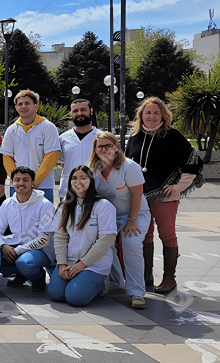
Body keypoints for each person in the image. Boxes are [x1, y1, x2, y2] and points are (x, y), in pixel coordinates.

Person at [126, 97, 204, 294]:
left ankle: (169, 279)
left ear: (163, 115)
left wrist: (179, 186)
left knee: (167, 234)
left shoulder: (173, 136)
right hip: (139, 197)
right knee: (144, 235)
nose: (151, 116)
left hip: (165, 196)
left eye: (156, 113)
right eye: (148, 113)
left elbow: (193, 161)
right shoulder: (134, 137)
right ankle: (146, 275)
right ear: (141, 115)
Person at [88, 132, 150, 308]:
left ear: (117, 146)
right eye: (100, 146)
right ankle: (117, 283)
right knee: (103, 243)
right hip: (109, 216)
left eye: (109, 145)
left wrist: (132, 219)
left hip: (136, 214)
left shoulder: (130, 167)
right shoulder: (92, 169)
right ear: (95, 149)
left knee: (131, 244)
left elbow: (137, 194)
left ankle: (137, 293)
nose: (104, 149)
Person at [49, 166, 117, 307]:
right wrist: (62, 264)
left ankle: (101, 284)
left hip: (93, 264)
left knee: (75, 298)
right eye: (74, 178)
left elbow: (107, 240)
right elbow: (60, 237)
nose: (78, 182)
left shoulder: (103, 205)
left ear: (91, 181)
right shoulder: (65, 205)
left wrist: (82, 264)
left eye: (83, 178)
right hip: (69, 261)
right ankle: (77, 281)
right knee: (56, 294)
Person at [0, 167, 56, 292]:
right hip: (16, 243)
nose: (21, 183)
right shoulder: (7, 204)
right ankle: (21, 274)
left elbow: (45, 239)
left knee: (24, 263)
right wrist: (3, 246)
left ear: (33, 183)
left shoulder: (45, 205)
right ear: (12, 182)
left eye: (25, 180)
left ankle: (38, 277)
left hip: (42, 250)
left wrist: (17, 251)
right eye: (17, 180)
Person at [1, 89, 61, 202]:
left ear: (35, 106)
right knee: (18, 217)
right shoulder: (11, 130)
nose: (23, 106)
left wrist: (35, 181)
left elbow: (51, 156)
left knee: (43, 218)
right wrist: (17, 181)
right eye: (20, 104)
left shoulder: (48, 127)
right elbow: (7, 157)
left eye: (27, 103)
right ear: (16, 107)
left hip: (43, 186)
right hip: (18, 187)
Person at [58, 99, 100, 201]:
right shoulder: (62, 138)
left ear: (91, 111)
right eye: (75, 111)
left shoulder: (101, 137)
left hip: (96, 191)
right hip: (68, 193)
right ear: (71, 113)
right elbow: (62, 163)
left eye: (83, 110)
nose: (79, 113)